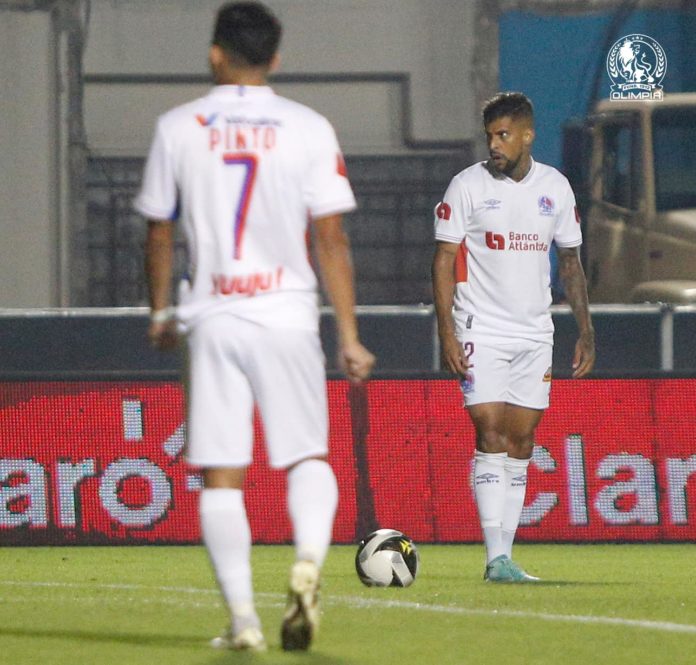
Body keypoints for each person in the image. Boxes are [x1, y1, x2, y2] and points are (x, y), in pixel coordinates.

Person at [135, 1, 375, 651]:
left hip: (212, 312)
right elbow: (332, 236)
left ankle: (242, 619)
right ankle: (308, 564)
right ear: (276, 59)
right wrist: (349, 334)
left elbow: (158, 229)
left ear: (216, 53)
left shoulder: (179, 126)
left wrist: (160, 311)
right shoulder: (309, 127)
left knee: (221, 473)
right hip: (287, 311)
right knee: (306, 456)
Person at [431, 92, 595, 582]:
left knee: (522, 440)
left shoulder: (556, 189)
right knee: (490, 432)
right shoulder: (466, 186)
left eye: (503, 135)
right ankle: (493, 556)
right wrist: (447, 332)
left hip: (534, 332)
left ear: (527, 135)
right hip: (481, 327)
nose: (495, 145)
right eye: (489, 137)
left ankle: (504, 555)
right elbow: (442, 260)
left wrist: (585, 329)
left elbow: (570, 263)